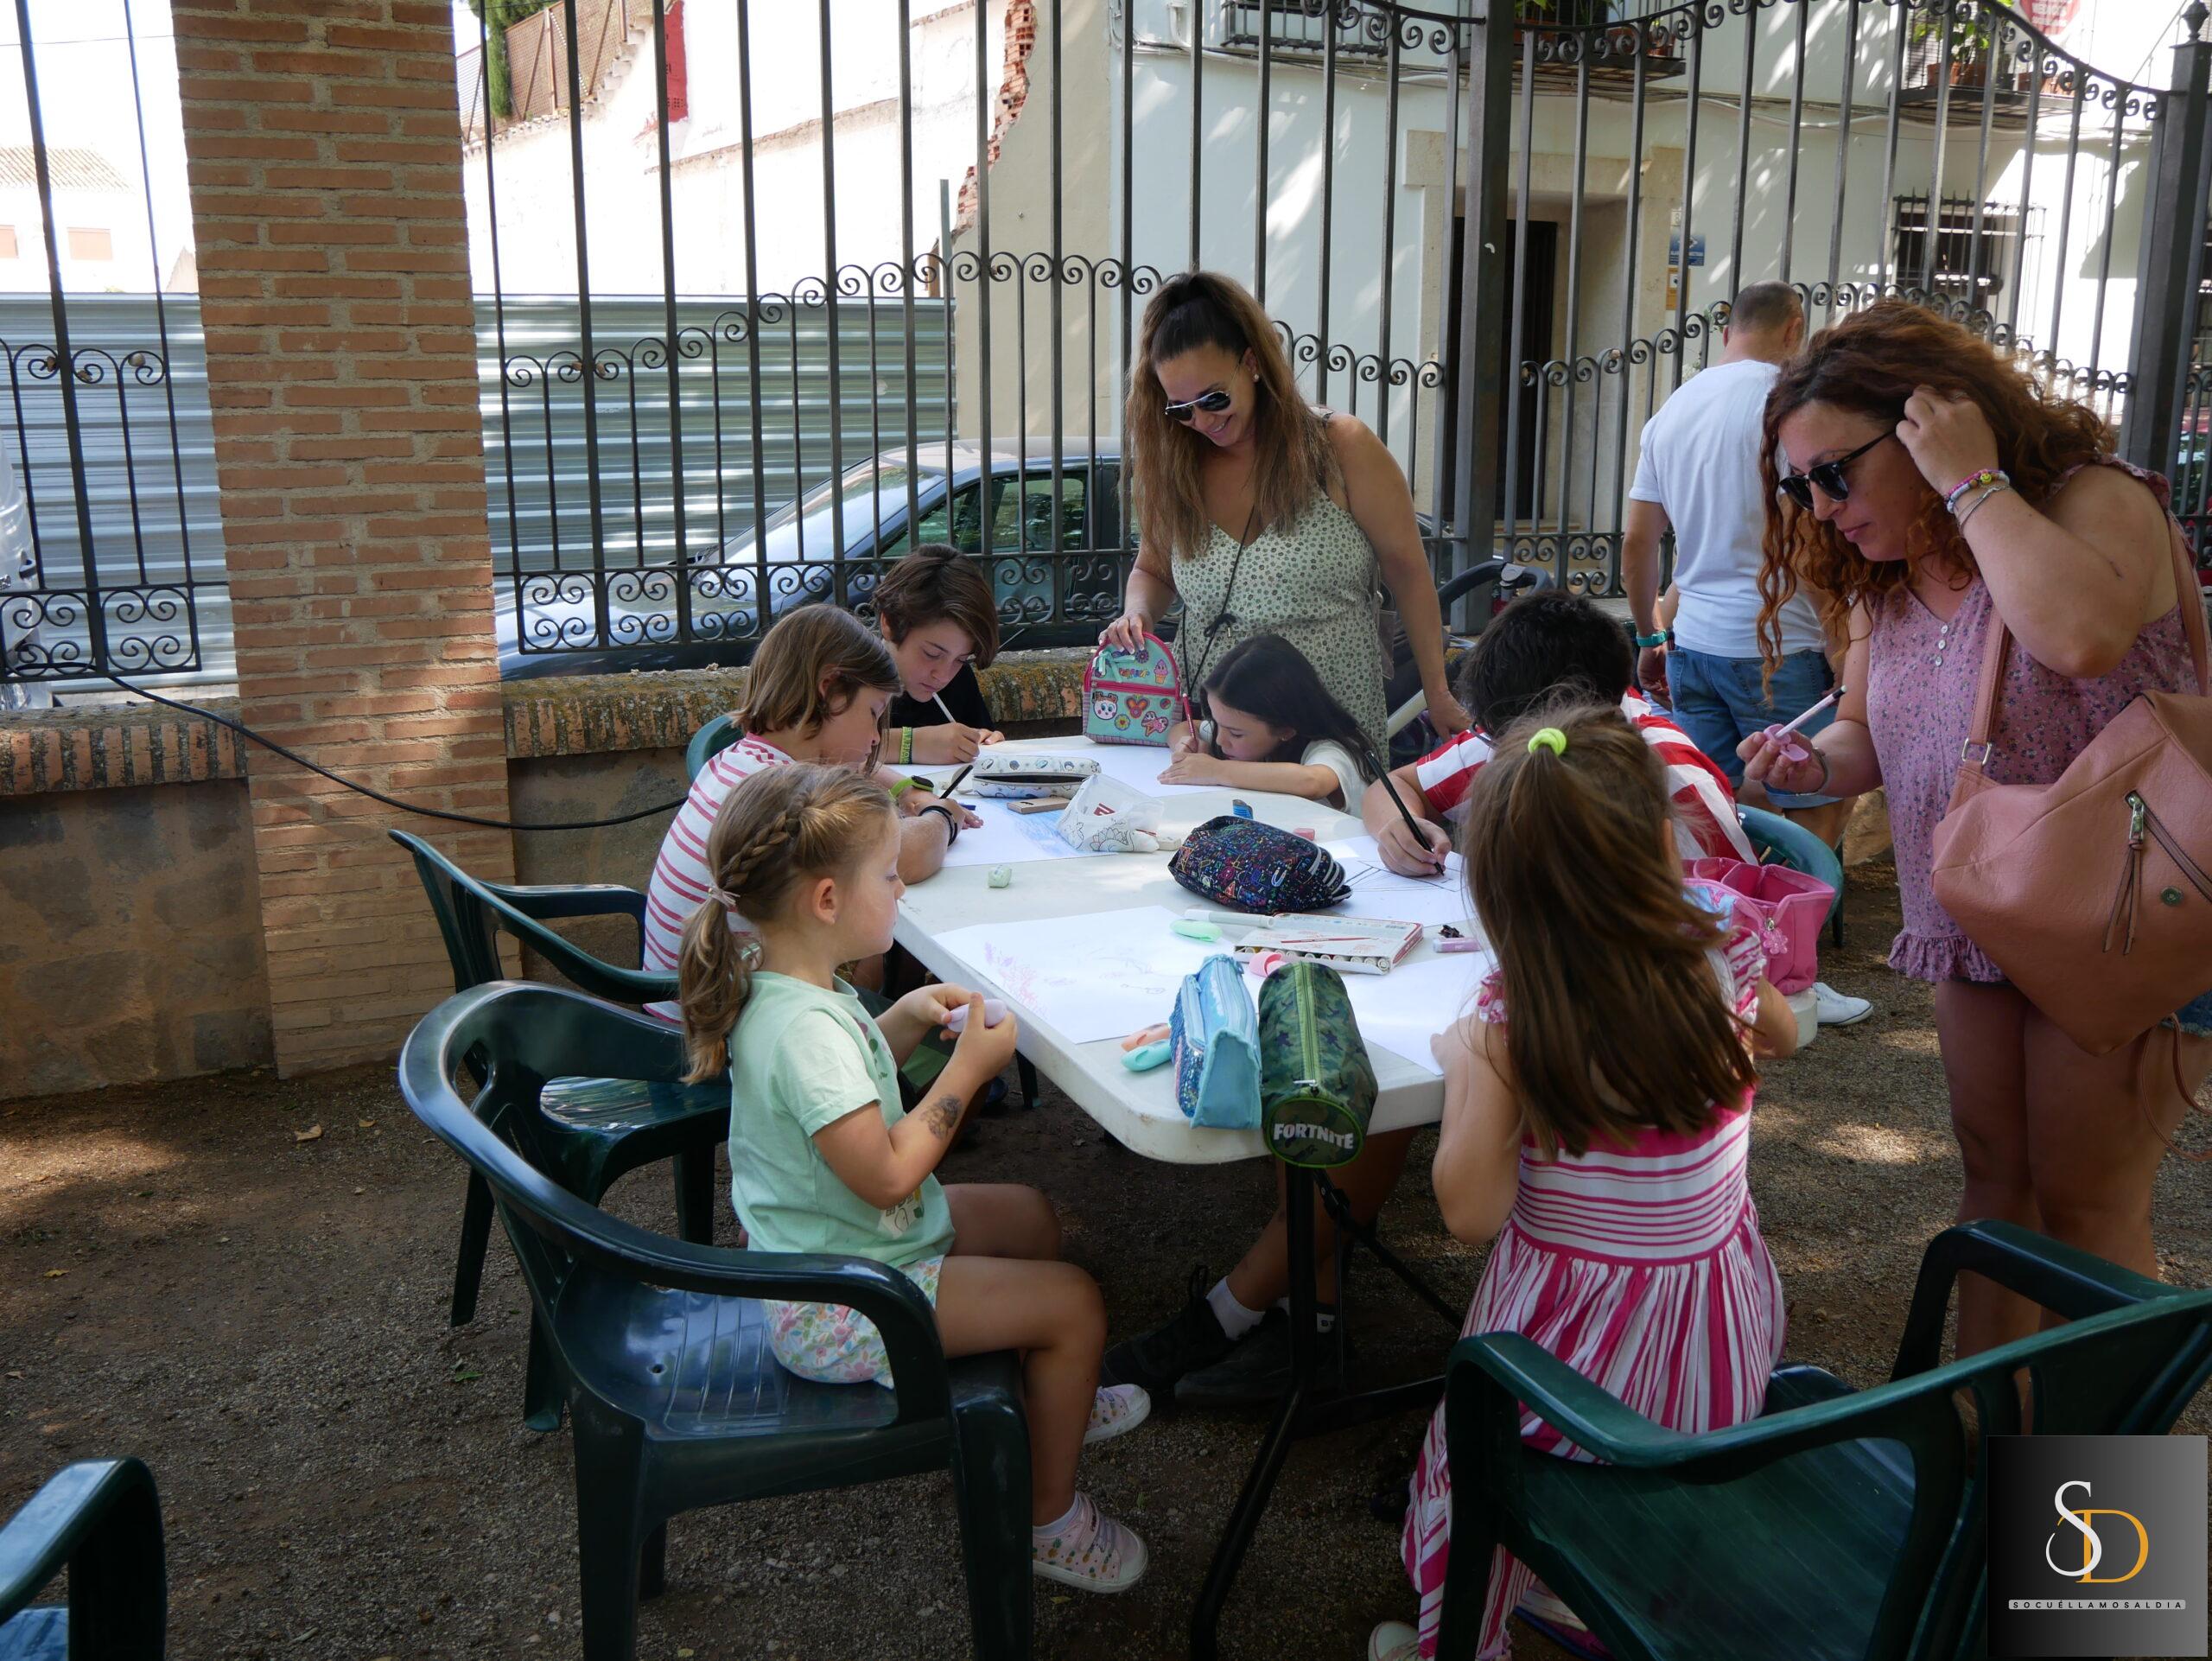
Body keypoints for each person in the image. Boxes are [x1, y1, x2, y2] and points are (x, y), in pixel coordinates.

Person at [1740, 298, 2212, 1359]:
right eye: (1799, 485)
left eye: (1834, 473)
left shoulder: (2093, 499)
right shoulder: (1887, 573)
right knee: (1996, 1186)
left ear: (1929, 424)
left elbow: (2081, 637)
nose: (1820, 507)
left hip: (2118, 907)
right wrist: (1814, 764)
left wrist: (1972, 482)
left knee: (2088, 1207)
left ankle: (2097, 1469)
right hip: (1978, 911)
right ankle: (1988, 1431)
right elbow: (1865, 729)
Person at [1366, 703, 1796, 1661]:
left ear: (1503, 888)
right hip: (1717, 1344)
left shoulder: (1513, 1018)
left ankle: (1486, 1633)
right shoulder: (1721, 931)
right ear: (1662, 840)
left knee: (1477, 1468)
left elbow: (1468, 1213)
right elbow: (1784, 1033)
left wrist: (1468, 1062)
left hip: (1571, 1358)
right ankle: (1594, 1597)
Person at [675, 764, 1150, 1590]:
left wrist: (900, 1018)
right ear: (828, 900)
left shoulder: (791, 983)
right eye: (890, 875)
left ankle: (1051, 1393)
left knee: (1032, 1217)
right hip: (844, 1302)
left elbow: (843, 1097)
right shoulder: (803, 1032)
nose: (902, 887)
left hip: (845, 1242)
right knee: (1075, 1305)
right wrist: (965, 1072)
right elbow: (890, 1174)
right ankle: (1046, 1522)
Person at [1099, 270, 1471, 756]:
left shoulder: (1340, 447)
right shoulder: (1178, 470)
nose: (1202, 421)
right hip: (1218, 743)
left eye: (1213, 398)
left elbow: (1409, 572)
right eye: (1181, 410)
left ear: (1252, 362)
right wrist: (1138, 612)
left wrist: (1438, 693)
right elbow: (1153, 570)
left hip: (1330, 742)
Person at [639, 604, 977, 1021]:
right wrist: (943, 817)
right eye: (873, 714)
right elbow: (911, 856)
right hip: (729, 1042)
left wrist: (904, 790)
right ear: (830, 691)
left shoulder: (738, 761)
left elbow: (853, 766)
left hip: (677, 1017)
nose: (876, 738)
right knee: (949, 1033)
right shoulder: (794, 802)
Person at [1620, 282, 1853, 845]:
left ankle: (1727, 902)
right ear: (1795, 328)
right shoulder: (1792, 407)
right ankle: (1797, 907)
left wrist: (1651, 639)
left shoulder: (1672, 412)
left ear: (1726, 333)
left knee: (1714, 808)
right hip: (1780, 648)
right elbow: (1809, 544)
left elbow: (1637, 544)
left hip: (1694, 648)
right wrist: (1846, 649)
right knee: (1815, 806)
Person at [1360, 589, 1758, 874]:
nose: (1497, 750)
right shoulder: (1512, 735)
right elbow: (1395, 786)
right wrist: (1397, 828)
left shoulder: (1671, 779)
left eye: (1506, 740)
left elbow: (1745, 924)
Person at [1158, 632, 1377, 807]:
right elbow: (1182, 728)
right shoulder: (1238, 727)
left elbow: (1312, 781)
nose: (1219, 740)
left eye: (1236, 734)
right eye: (1217, 723)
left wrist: (1215, 770)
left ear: (1286, 730)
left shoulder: (1331, 750)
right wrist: (1188, 744)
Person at [876, 543, 1007, 766]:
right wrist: (911, 744)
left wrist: (983, 741)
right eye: (932, 654)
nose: (944, 676)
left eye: (961, 659)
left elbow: (977, 742)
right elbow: (820, 751)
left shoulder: (959, 679)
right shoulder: (851, 679)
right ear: (888, 623)